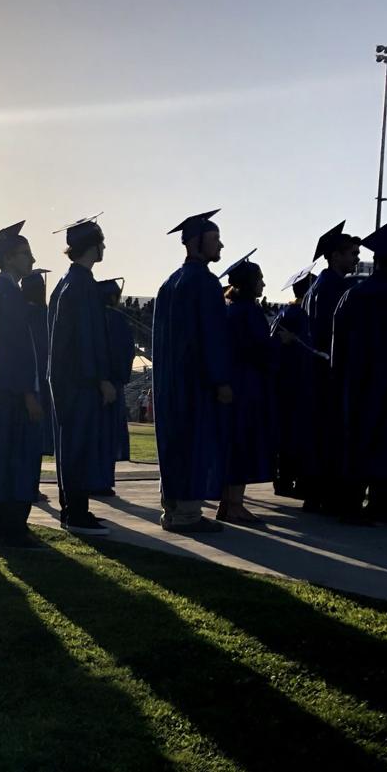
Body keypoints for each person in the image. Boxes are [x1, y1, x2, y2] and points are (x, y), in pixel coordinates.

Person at [152, 210, 230, 533]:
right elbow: (211, 337)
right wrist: (221, 380)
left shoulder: (169, 284)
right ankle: (187, 514)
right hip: (196, 383)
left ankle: (171, 510)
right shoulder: (206, 284)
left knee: (174, 444)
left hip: (171, 382)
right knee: (194, 445)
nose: (221, 246)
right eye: (215, 240)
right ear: (196, 243)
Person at [332, 223, 387, 524]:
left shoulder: (354, 294)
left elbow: (337, 340)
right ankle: (383, 505)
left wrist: (339, 376)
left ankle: (350, 505)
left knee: (358, 441)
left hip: (357, 380)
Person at [0, 221, 44, 547]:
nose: (31, 259)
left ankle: (4, 526)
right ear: (9, 258)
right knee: (15, 459)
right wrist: (27, 392)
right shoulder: (6, 297)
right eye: (25, 253)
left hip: (0, 394)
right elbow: (11, 353)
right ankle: (9, 527)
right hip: (10, 396)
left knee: (5, 460)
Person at [48, 217, 114, 536]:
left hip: (70, 380)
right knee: (78, 448)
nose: (104, 247)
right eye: (101, 241)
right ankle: (76, 512)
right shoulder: (82, 284)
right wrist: (100, 378)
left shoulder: (68, 282)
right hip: (80, 382)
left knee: (73, 448)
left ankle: (73, 509)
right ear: (92, 245)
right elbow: (85, 339)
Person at [300, 221, 362, 515]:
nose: (356, 258)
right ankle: (328, 495)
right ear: (335, 256)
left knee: (318, 435)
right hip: (330, 367)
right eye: (351, 253)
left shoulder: (316, 286)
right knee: (332, 436)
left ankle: (315, 494)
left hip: (317, 369)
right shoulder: (334, 287)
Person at [219, 250, 283, 523]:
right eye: (260, 279)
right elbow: (261, 350)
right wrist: (282, 342)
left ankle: (226, 503)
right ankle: (234, 504)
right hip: (248, 386)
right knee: (243, 444)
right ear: (249, 282)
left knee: (232, 445)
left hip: (234, 382)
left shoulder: (230, 311)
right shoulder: (251, 314)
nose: (264, 284)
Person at [270, 266, 317, 499]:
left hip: (288, 382)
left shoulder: (287, 313)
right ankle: (288, 481)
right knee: (293, 436)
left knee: (288, 435)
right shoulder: (297, 315)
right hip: (294, 382)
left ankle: (285, 480)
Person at [97, 277, 136, 498]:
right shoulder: (116, 319)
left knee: (96, 434)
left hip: (95, 383)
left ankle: (92, 479)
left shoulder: (91, 317)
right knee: (109, 434)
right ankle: (103, 480)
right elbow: (125, 350)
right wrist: (120, 377)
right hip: (112, 383)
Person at [21, 269, 55, 500]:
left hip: (24, 381)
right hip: (40, 382)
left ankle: (26, 484)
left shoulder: (20, 312)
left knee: (24, 438)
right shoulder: (44, 315)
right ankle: (31, 485)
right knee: (34, 438)